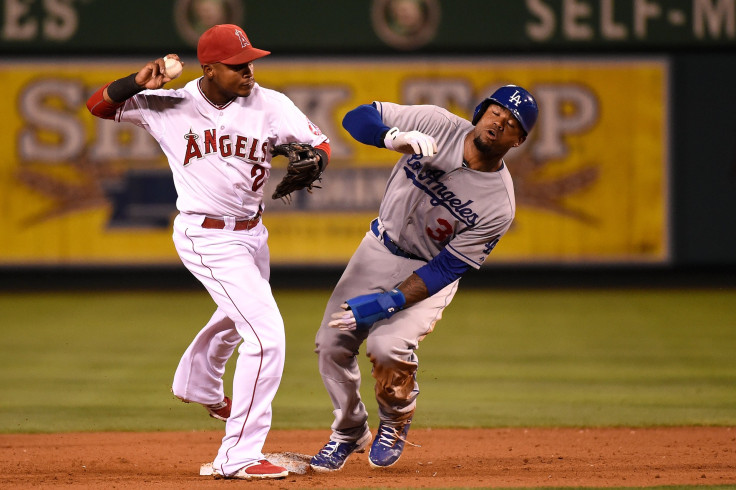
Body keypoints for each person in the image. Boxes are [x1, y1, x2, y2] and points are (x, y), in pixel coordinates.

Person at [86, 24, 331, 480]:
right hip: (206, 235)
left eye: (251, 62)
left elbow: (318, 143)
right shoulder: (169, 105)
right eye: (238, 66)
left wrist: (317, 158)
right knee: (266, 333)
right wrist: (137, 83)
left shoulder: (270, 103)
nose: (248, 71)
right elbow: (98, 104)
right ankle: (237, 456)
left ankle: (196, 382)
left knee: (237, 316)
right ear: (210, 68)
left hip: (253, 234)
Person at [309, 85, 538, 471]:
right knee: (330, 344)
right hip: (378, 249)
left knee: (387, 347)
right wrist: (391, 137)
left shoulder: (499, 203)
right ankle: (349, 431)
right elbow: (355, 117)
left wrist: (389, 301)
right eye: (497, 112)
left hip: (427, 273)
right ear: (482, 111)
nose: (501, 123)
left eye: (513, 123)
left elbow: (449, 267)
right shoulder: (436, 123)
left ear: (518, 140)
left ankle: (396, 421)